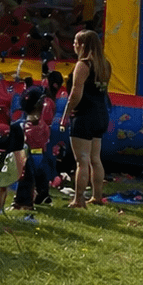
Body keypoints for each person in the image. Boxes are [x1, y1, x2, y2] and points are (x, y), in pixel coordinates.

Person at [61, 29, 111, 207]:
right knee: (95, 159)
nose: (73, 45)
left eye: (75, 42)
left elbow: (76, 94)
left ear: (82, 45)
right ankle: (97, 196)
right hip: (101, 115)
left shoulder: (83, 65)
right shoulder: (105, 64)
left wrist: (66, 113)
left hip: (84, 116)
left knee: (82, 160)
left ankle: (79, 199)